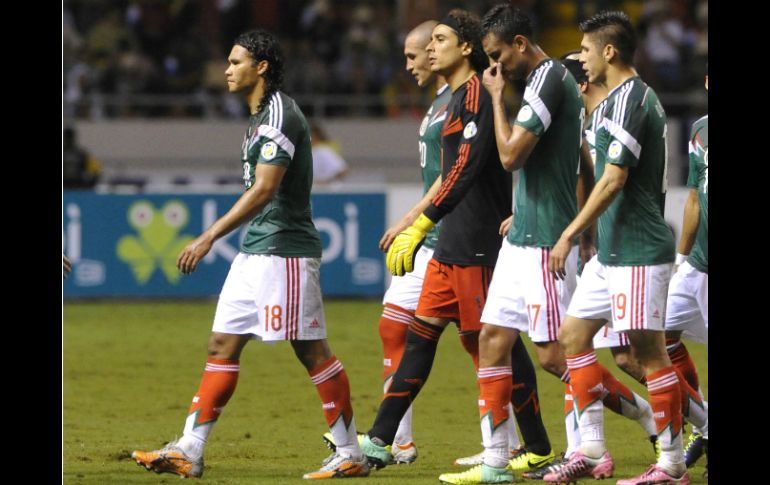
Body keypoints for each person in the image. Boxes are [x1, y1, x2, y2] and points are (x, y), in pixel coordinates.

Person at [131, 29, 369, 480]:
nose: (227, 69)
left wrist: (208, 236)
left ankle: (349, 452)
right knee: (222, 344)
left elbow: (264, 189)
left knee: (311, 351)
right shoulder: (259, 117)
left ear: (261, 67)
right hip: (255, 250)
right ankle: (190, 449)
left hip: (284, 251)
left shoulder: (280, 114)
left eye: (235, 61)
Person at [438, 6, 654, 484]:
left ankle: (632, 423)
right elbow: (578, 160)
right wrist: (529, 210)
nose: (495, 68)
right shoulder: (550, 82)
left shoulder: (547, 79)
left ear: (519, 43)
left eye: (498, 56)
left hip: (544, 244)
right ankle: (495, 462)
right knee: (492, 338)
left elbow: (510, 156)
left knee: (556, 355)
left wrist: (496, 99)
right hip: (523, 236)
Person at [323, 19, 523, 466]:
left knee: (495, 345)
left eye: (427, 47)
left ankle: (521, 445)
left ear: (462, 47)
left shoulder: (471, 97)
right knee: (404, 331)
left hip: (463, 235)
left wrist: (414, 220)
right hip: (442, 234)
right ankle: (392, 439)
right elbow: (448, 173)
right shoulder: (442, 103)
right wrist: (416, 222)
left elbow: (459, 172)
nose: (420, 59)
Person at [543, 11, 700, 484]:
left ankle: (671, 464)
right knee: (572, 338)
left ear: (608, 52)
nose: (582, 59)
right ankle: (592, 449)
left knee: (648, 355)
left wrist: (570, 233)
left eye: (585, 50)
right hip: (612, 251)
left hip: (638, 249)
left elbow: (614, 179)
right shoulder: (609, 103)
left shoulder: (632, 98)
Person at [665, 69, 708, 478]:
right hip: (697, 264)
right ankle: (705, 424)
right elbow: (694, 198)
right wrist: (681, 258)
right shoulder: (700, 130)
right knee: (654, 337)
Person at [309, 121, 349, 185]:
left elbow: (343, 171)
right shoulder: (308, 153)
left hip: (328, 189)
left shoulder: (323, 151)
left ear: (315, 136)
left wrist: (325, 182)